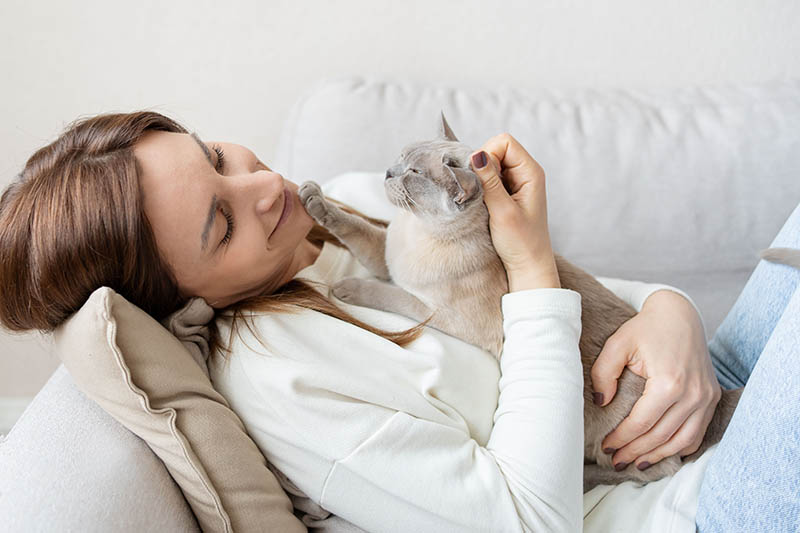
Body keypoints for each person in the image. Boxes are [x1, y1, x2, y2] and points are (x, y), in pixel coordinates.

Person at [0, 111, 793, 531]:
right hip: (686, 506)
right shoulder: (282, 375)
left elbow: (609, 300)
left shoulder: (340, 211)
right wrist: (529, 264)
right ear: (188, 303)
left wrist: (671, 311)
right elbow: (528, 520)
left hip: (706, 392)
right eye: (221, 223)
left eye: (215, 155)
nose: (263, 186)